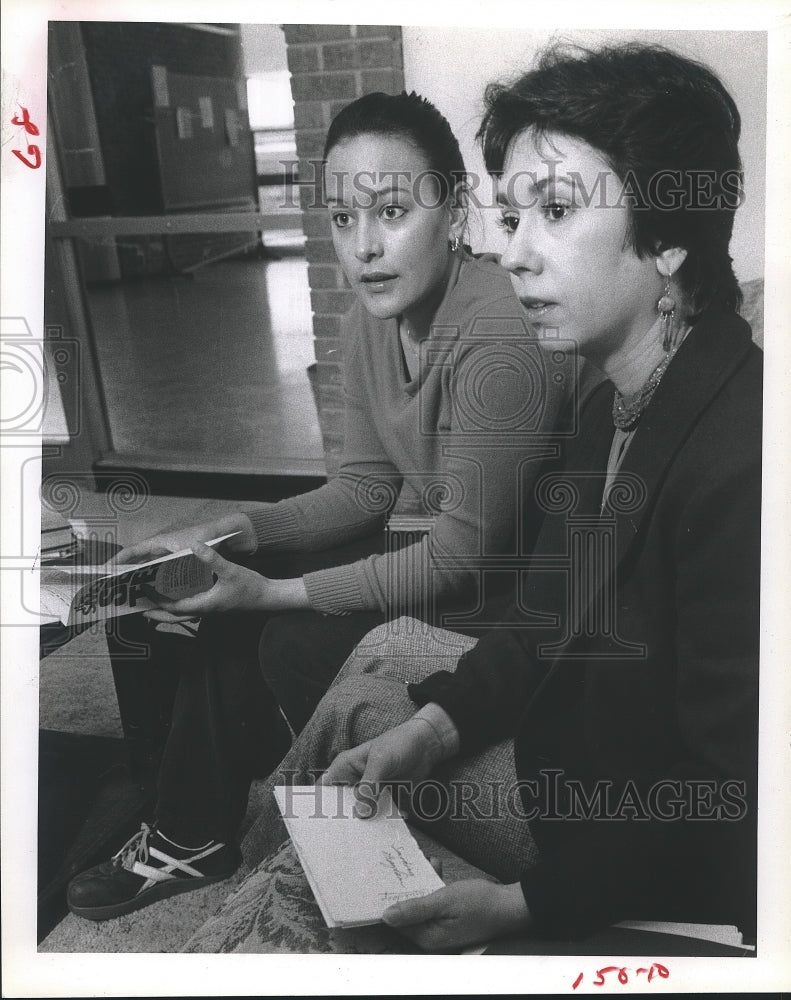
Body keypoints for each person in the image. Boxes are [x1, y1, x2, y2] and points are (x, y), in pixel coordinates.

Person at [179, 42, 761, 954]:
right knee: (374, 718)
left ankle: (265, 908)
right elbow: (545, 617)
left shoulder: (746, 456)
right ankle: (268, 883)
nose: (516, 253)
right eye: (510, 214)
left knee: (351, 706)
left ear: (669, 234)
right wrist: (437, 727)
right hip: (568, 754)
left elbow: (742, 803)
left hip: (614, 829)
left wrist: (532, 904)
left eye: (556, 212)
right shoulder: (616, 397)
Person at [67, 91, 568, 920]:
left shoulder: (500, 332)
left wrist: (269, 593)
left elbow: (463, 556)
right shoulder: (373, 319)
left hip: (531, 595)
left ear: (454, 209)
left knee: (281, 625)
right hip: (455, 552)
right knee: (209, 585)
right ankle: (188, 823)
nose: (364, 246)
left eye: (393, 211)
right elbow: (367, 487)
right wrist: (237, 529)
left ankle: (237, 821)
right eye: (342, 217)